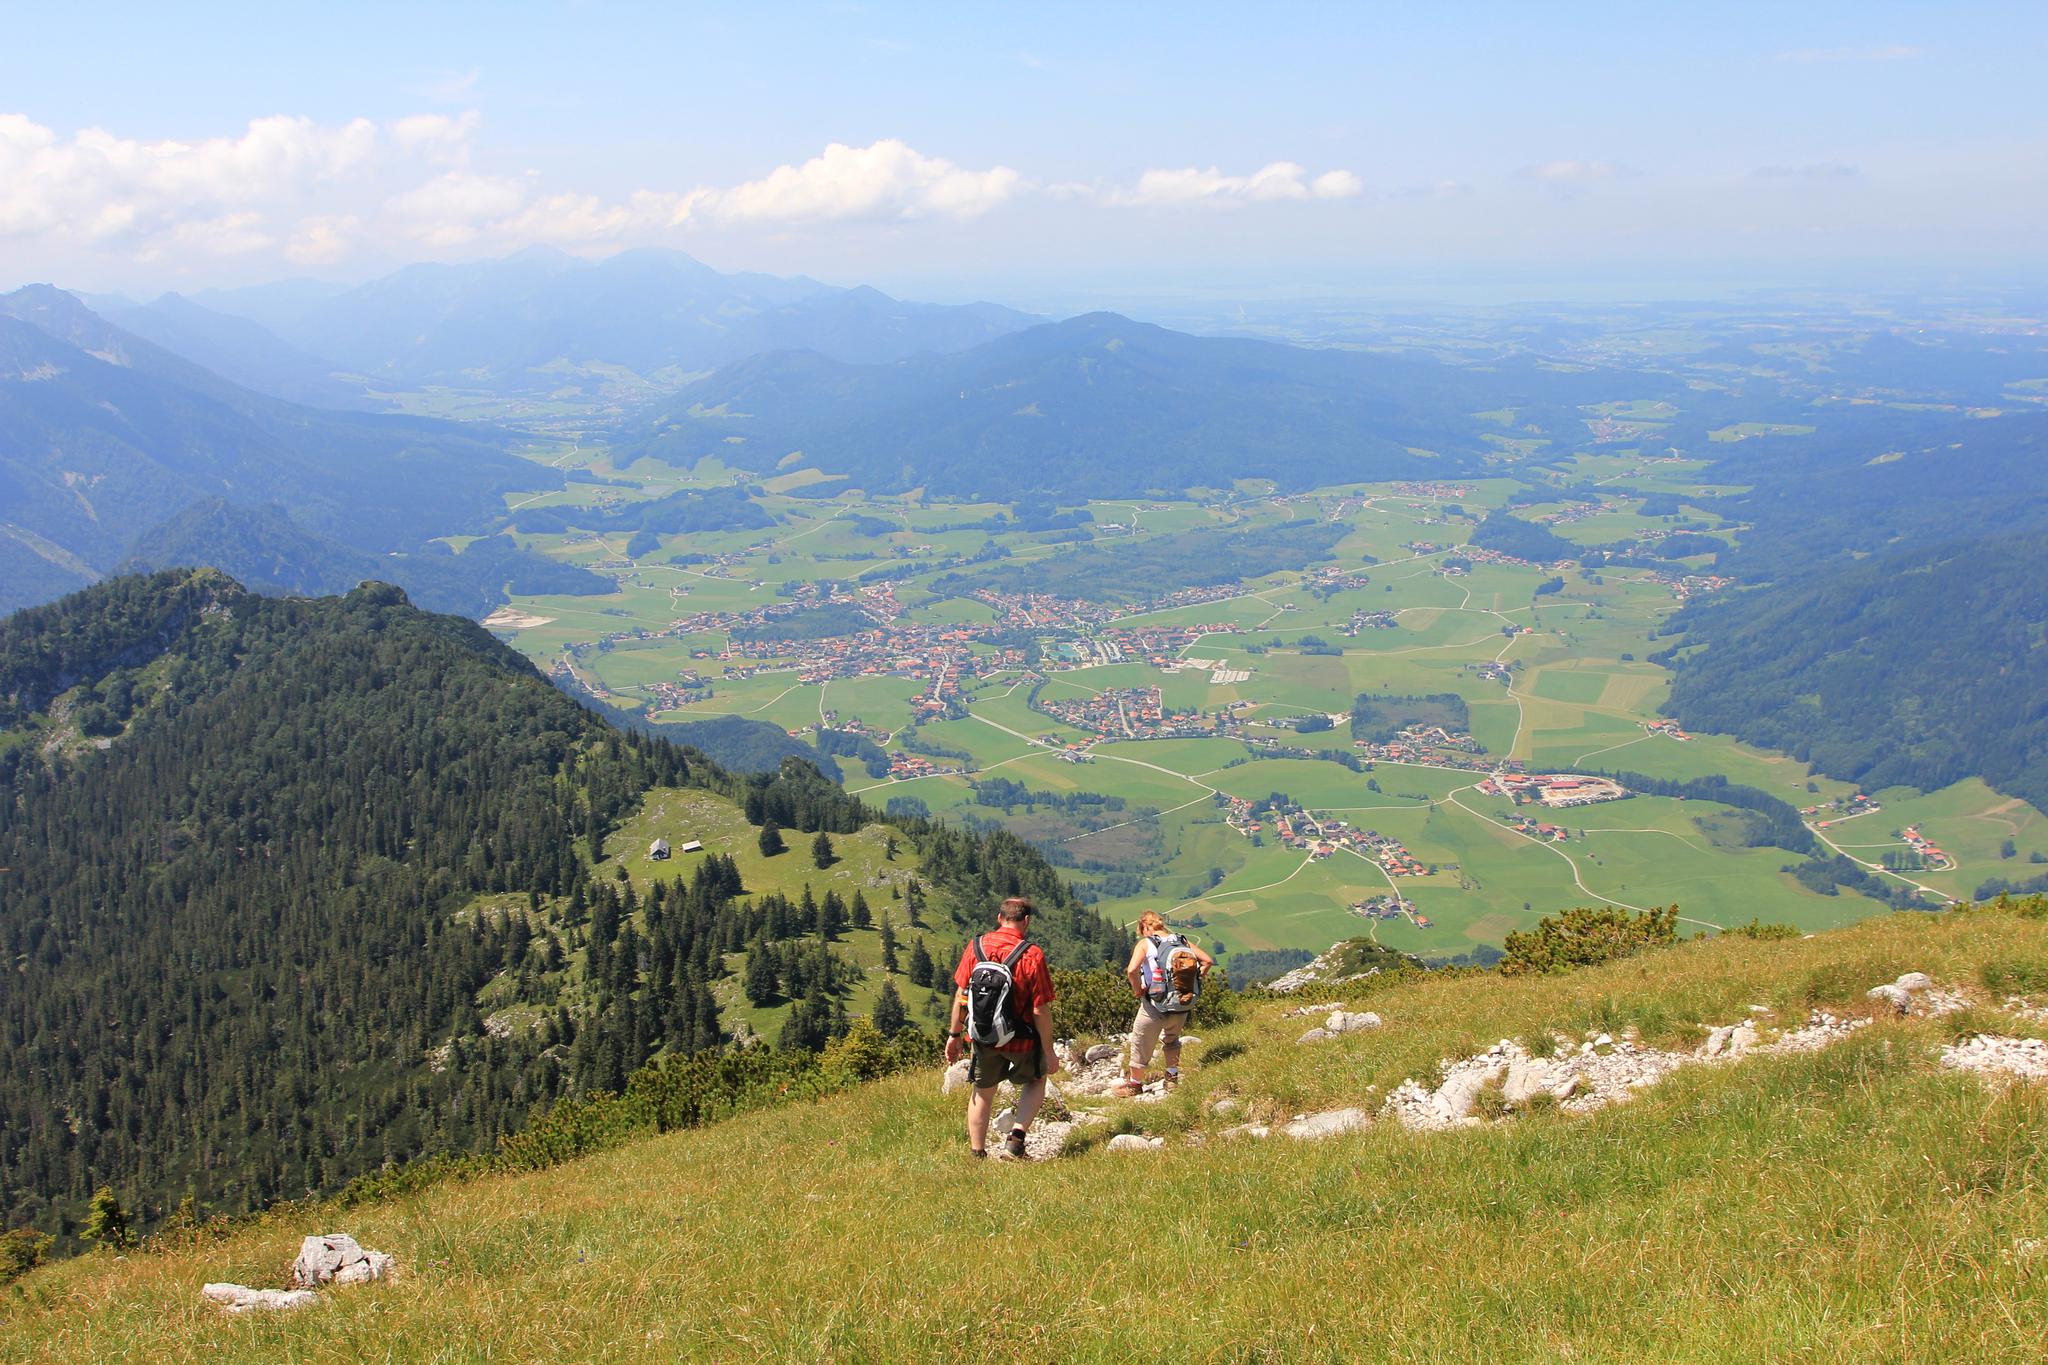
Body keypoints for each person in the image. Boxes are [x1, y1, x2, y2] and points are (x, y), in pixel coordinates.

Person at [945, 896, 1061, 1159]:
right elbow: (1040, 1009)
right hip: (1023, 1040)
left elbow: (962, 995)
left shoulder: (976, 947)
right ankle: (1016, 1139)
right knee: (1036, 1079)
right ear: (1027, 921)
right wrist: (1048, 1051)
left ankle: (977, 1153)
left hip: (985, 1037)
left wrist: (954, 1035)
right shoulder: (1032, 954)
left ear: (1000, 918)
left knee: (982, 1092)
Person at [1113, 912, 1213, 1098]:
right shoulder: (1182, 942)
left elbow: (1132, 970)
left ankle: (1135, 1084)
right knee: (1172, 1040)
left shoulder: (1146, 943)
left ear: (1144, 928)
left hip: (1154, 1004)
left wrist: (1137, 990)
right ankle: (1172, 1079)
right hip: (1181, 1003)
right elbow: (1207, 961)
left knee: (1141, 1042)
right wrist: (1192, 982)